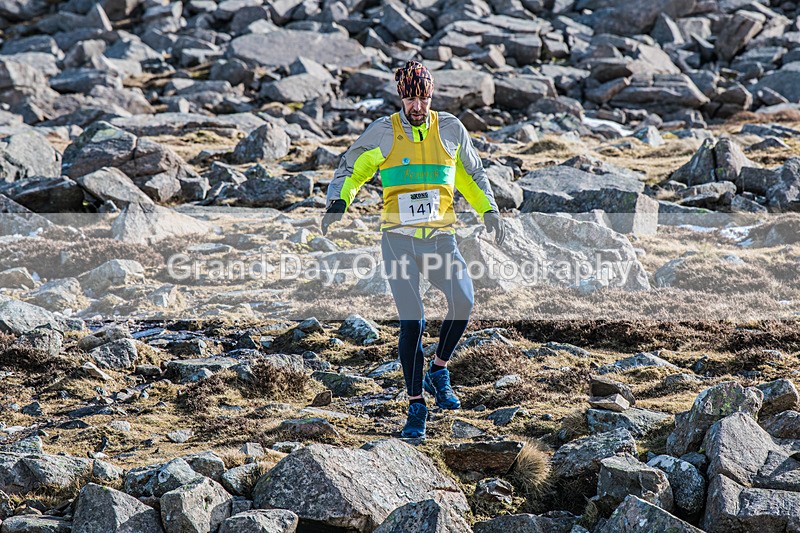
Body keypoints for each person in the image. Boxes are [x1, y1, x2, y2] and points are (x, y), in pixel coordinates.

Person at [321, 60, 506, 439]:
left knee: (464, 301)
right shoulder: (384, 133)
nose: (416, 106)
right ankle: (416, 405)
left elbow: (471, 175)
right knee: (413, 321)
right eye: (409, 99)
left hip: (440, 239)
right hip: (398, 240)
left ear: (431, 95)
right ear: (400, 98)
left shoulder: (451, 129)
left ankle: (439, 368)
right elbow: (352, 168)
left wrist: (489, 210)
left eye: (422, 98)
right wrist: (339, 200)